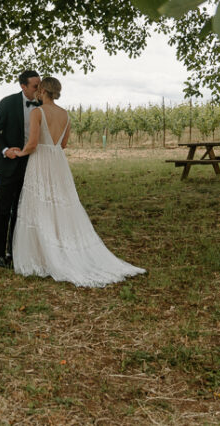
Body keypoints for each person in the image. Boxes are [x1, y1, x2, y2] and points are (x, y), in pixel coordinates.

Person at [11, 77, 146, 287]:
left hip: (40, 162)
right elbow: (63, 144)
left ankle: (44, 256)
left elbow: (33, 144)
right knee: (63, 204)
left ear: (43, 91)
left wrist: (18, 154)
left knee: (41, 204)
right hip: (58, 162)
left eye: (39, 89)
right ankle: (60, 247)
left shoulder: (37, 112)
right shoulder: (65, 114)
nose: (36, 92)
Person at [0, 70, 41, 268]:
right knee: (2, 210)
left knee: (21, 210)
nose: (39, 89)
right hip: (9, 164)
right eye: (35, 86)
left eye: (40, 85)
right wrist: (5, 150)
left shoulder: (43, 105)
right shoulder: (8, 103)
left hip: (32, 164)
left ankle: (14, 250)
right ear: (23, 86)